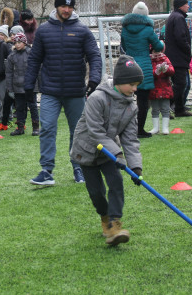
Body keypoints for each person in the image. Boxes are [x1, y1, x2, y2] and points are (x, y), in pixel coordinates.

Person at [25, 0, 102, 185]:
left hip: (76, 91)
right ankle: (46, 171)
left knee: (77, 132)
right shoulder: (43, 30)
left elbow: (94, 55)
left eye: (70, 6)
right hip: (50, 91)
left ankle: (79, 168)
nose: (67, 9)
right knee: (47, 129)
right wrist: (28, 84)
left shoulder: (82, 30)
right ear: (56, 6)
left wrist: (94, 79)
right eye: (63, 6)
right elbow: (34, 59)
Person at [69, 55, 144, 246]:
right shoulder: (97, 98)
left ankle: (115, 224)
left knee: (116, 183)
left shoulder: (131, 106)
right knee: (97, 193)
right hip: (85, 151)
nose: (135, 89)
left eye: (137, 84)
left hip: (108, 153)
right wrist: (117, 154)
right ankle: (105, 217)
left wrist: (136, 167)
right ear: (119, 82)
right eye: (132, 84)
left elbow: (130, 138)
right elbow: (95, 131)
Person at [120, 1, 164, 137]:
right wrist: (160, 43)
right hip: (143, 66)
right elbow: (158, 47)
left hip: (129, 65)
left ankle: (124, 129)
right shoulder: (148, 29)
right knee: (143, 101)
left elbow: (123, 46)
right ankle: (140, 130)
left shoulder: (125, 29)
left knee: (125, 100)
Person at [164, 0, 192, 117]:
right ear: (181, 6)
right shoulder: (179, 18)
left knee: (179, 83)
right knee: (180, 83)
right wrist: (187, 50)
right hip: (177, 57)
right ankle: (168, 105)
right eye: (187, 4)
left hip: (174, 56)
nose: (188, 6)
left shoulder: (174, 17)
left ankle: (179, 109)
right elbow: (181, 38)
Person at [5, 33, 39, 136]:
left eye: (19, 42)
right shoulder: (11, 56)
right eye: (15, 42)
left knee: (33, 107)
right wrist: (10, 89)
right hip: (17, 87)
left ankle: (36, 127)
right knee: (19, 107)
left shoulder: (31, 53)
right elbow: (9, 73)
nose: (17, 45)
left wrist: (37, 86)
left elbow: (37, 70)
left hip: (30, 87)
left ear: (24, 42)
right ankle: (20, 127)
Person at [148, 44, 174, 135]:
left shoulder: (165, 59)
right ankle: (155, 128)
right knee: (154, 109)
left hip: (165, 88)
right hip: (154, 88)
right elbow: (148, 73)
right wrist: (156, 72)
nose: (157, 53)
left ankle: (165, 128)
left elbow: (172, 71)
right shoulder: (149, 60)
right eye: (155, 51)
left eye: (159, 51)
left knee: (165, 108)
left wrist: (166, 70)